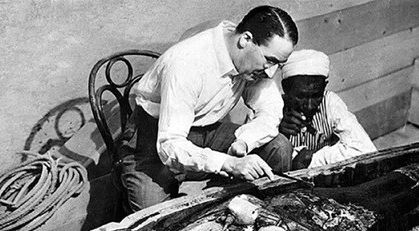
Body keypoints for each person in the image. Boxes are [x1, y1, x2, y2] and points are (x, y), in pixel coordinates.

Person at [118, 6, 298, 212]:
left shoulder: (250, 58)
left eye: (279, 64)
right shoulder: (187, 63)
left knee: (278, 147)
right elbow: (170, 145)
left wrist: (244, 142)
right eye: (270, 60)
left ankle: (267, 215)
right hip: (153, 142)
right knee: (158, 219)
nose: (271, 73)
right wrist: (228, 163)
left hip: (205, 132)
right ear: (245, 39)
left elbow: (271, 110)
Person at [278, 49, 377, 169]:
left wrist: (313, 160)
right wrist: (278, 135)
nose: (309, 106)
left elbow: (365, 149)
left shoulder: (330, 102)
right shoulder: (273, 107)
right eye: (300, 96)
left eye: (316, 96)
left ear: (324, 87)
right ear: (286, 88)